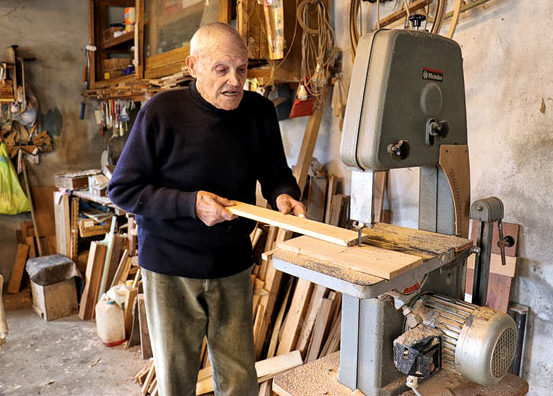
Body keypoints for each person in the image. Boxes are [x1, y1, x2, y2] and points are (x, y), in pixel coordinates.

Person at [108, 22, 305, 396]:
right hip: (170, 269)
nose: (235, 81)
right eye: (221, 69)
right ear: (193, 66)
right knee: (176, 377)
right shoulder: (161, 112)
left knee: (238, 378)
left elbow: (276, 173)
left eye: (242, 69)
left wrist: (283, 194)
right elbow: (122, 189)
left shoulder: (260, 112)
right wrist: (190, 204)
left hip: (231, 264)